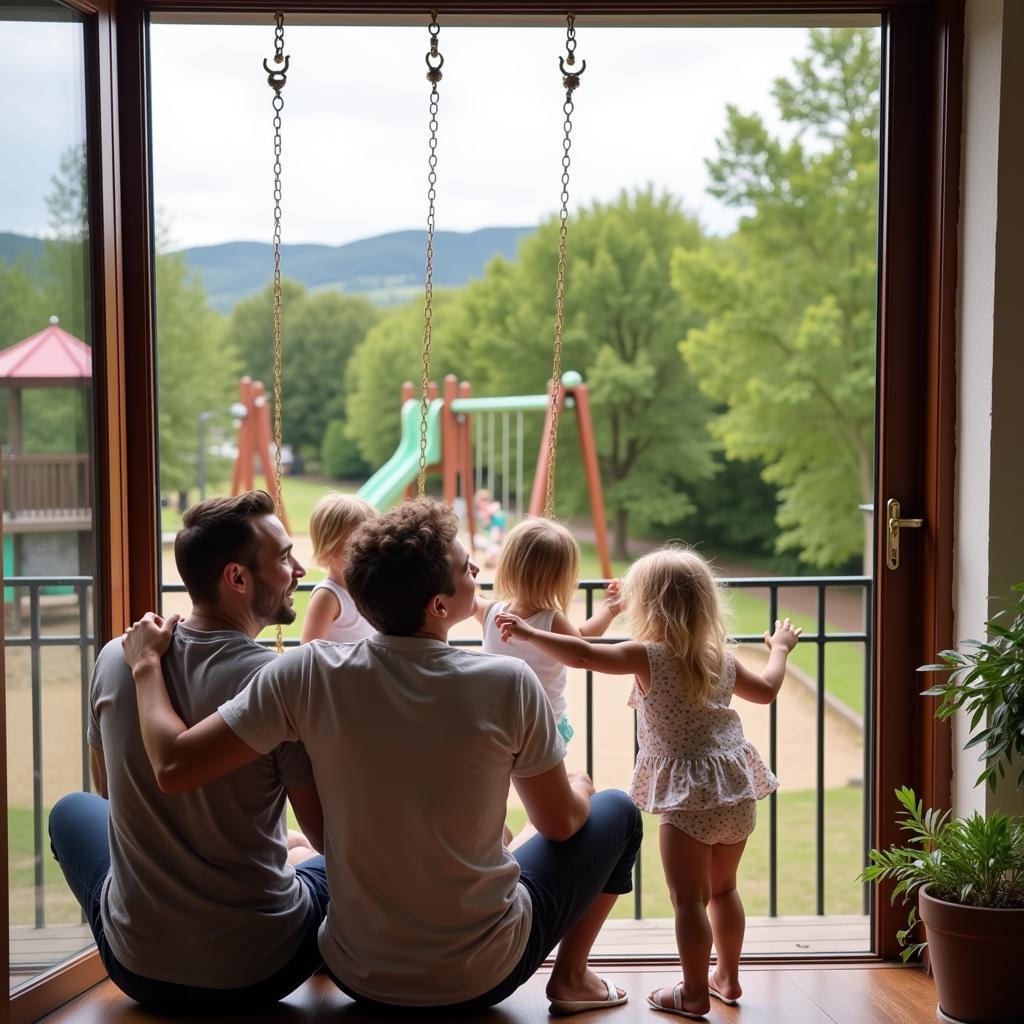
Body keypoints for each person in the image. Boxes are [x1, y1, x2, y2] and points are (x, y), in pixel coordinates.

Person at [123, 498, 643, 1014]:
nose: (477, 569)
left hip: (358, 972)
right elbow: (559, 824)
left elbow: (175, 764)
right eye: (466, 568)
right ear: (439, 607)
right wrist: (579, 787)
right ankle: (572, 979)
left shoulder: (305, 674)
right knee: (618, 813)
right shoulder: (508, 683)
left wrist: (147, 665)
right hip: (480, 975)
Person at [48, 491, 331, 1008]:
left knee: (71, 811)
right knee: (324, 860)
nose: (298, 567)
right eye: (285, 556)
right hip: (262, 970)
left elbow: (110, 790)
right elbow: (327, 833)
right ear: (237, 579)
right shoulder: (277, 683)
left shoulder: (119, 655)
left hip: (138, 970)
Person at [496, 546, 802, 1020]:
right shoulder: (718, 657)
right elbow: (766, 690)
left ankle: (695, 993)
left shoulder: (649, 656)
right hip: (736, 792)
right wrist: (779, 649)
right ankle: (729, 976)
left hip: (687, 801)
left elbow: (581, 655)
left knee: (689, 901)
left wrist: (532, 631)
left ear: (648, 606)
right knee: (724, 890)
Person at [475, 517, 621, 745]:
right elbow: (582, 641)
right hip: (541, 725)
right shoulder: (551, 620)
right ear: (561, 579)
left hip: (498, 722)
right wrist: (612, 609)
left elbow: (469, 600)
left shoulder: (490, 611)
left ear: (509, 565)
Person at [300, 492, 376, 644]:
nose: (367, 554)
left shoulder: (369, 590)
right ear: (330, 550)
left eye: (371, 545)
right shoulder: (328, 596)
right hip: (344, 668)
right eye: (355, 548)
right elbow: (308, 653)